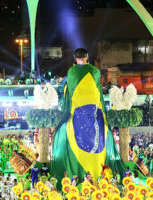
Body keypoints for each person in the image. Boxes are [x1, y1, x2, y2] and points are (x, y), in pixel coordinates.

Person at [51, 48, 125, 189]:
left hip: (78, 113)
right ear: (87, 57)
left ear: (75, 58)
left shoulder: (72, 72)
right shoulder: (94, 71)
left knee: (63, 132)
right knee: (104, 131)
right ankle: (98, 175)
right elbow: (99, 94)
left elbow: (69, 92)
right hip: (95, 113)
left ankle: (76, 174)